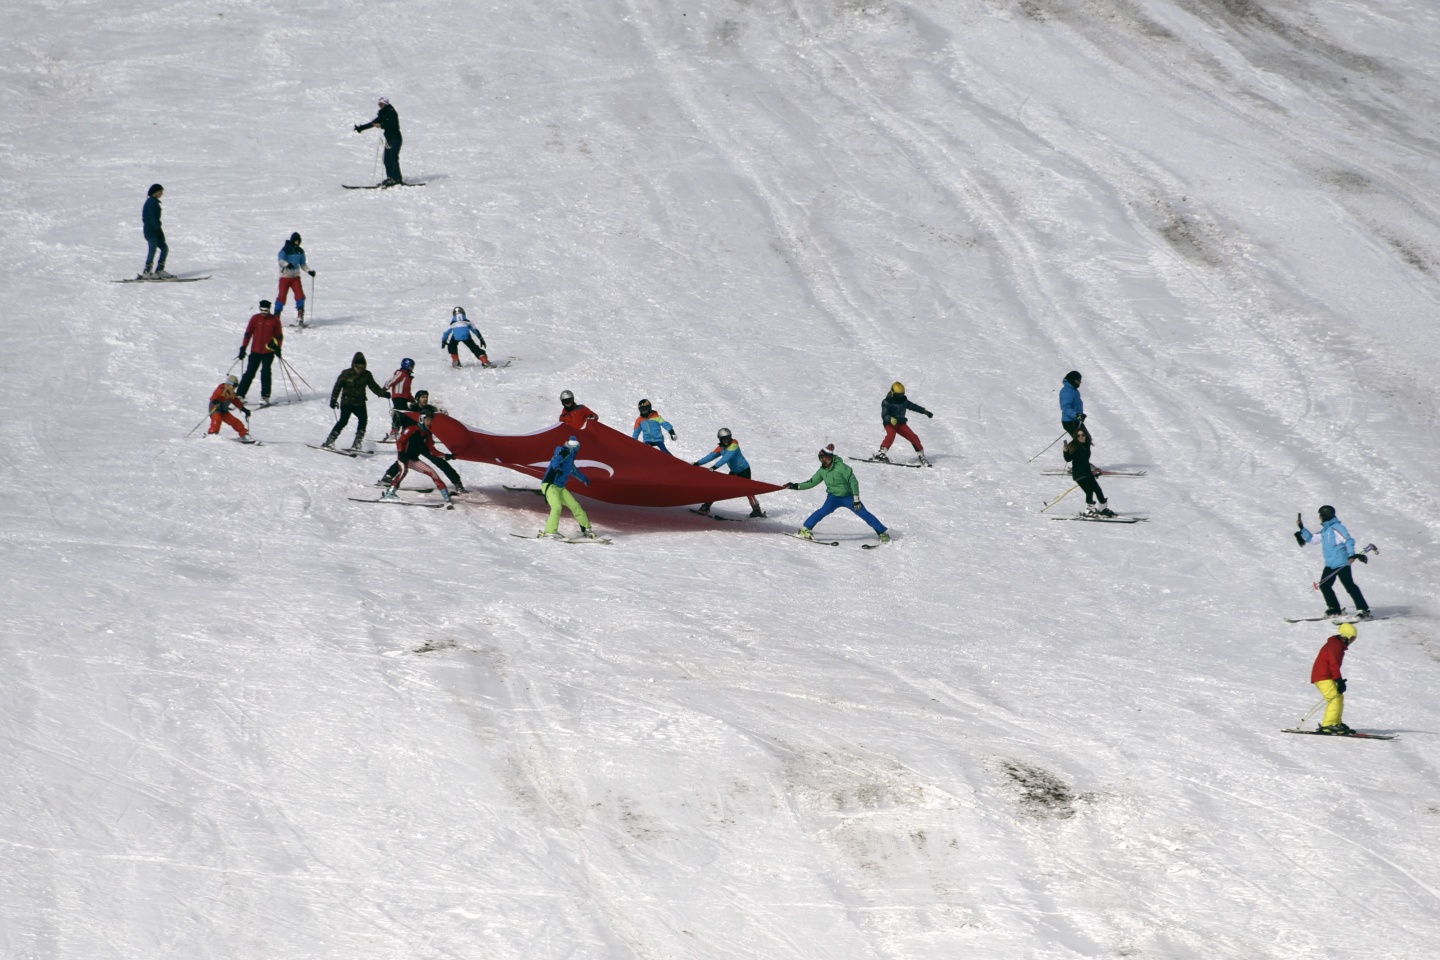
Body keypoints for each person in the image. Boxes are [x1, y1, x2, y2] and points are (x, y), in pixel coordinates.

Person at [785, 444, 889, 543]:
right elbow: (811, 482)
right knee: (822, 512)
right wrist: (795, 486)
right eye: (820, 458)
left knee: (863, 513)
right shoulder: (822, 470)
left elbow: (853, 482)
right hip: (833, 498)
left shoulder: (841, 467)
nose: (821, 460)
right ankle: (805, 529)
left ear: (828, 457)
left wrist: (856, 499)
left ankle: (882, 533)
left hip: (849, 497)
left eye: (822, 458)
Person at [378, 393, 465, 492]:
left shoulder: (431, 410)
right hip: (412, 443)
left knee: (439, 461)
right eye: (423, 397)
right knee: (404, 458)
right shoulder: (411, 411)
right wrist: (396, 417)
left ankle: (457, 483)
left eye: (426, 397)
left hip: (425, 442)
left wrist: (443, 416)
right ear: (417, 399)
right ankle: (387, 477)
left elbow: (439, 420)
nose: (425, 399)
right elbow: (399, 420)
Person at [1297, 506, 1370, 618]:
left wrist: (1351, 555)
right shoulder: (1325, 530)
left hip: (1342, 562)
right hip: (1330, 564)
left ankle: (1363, 609)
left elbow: (1348, 540)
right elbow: (1312, 539)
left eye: (1320, 515)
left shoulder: (1337, 528)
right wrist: (1302, 528)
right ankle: (1334, 609)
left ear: (1325, 515)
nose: (1319, 518)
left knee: (1349, 586)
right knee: (1325, 585)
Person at [382, 407, 452, 504]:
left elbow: (433, 451)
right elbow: (400, 441)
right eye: (427, 420)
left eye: (431, 420)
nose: (429, 422)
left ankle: (446, 497)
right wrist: (401, 453)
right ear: (421, 419)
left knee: (432, 473)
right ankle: (390, 493)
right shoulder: (411, 429)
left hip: (413, 460)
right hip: (404, 458)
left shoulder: (427, 434)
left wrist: (445, 455)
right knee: (403, 472)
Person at [323, 352, 389, 450]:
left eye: (362, 366)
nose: (360, 368)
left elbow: (373, 386)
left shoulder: (367, 375)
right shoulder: (346, 373)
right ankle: (329, 441)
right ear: (354, 365)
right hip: (347, 402)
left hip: (360, 403)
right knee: (343, 421)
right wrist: (333, 400)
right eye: (358, 366)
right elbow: (337, 387)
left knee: (363, 420)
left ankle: (357, 444)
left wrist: (383, 394)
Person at [694, 427, 765, 518]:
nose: (726, 441)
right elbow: (711, 455)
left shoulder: (734, 445)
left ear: (730, 437)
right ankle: (706, 507)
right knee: (720, 487)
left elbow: (726, 458)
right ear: (720, 439)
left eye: (727, 438)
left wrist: (714, 467)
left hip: (744, 470)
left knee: (748, 490)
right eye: (723, 439)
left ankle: (757, 510)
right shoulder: (721, 447)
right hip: (734, 471)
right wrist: (698, 463)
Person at [539, 436, 599, 539]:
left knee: (575, 506)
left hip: (560, 488)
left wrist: (585, 479)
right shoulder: (564, 452)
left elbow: (575, 472)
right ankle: (549, 532)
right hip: (550, 485)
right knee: (557, 507)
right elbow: (555, 460)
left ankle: (586, 529)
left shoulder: (570, 461)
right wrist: (557, 468)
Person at [1310, 622, 1358, 734]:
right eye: (1352, 639)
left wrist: (1338, 680)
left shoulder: (1336, 645)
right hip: (1323, 676)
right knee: (1334, 698)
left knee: (1339, 697)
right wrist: (1338, 680)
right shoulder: (1335, 646)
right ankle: (1328, 725)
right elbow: (1333, 664)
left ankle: (1336, 722)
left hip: (1326, 676)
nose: (1351, 642)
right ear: (1346, 636)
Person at [873, 381, 933, 464]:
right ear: (893, 393)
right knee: (891, 435)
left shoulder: (903, 401)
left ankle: (921, 455)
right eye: (898, 395)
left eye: (902, 394)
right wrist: (890, 419)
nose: (900, 397)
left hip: (901, 423)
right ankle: (881, 454)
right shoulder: (887, 401)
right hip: (890, 423)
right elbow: (884, 414)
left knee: (913, 436)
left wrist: (925, 412)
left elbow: (913, 406)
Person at [236, 300, 284, 403]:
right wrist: (243, 347)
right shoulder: (255, 319)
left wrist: (278, 348)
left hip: (268, 352)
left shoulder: (274, 320)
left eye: (266, 310)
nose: (263, 312)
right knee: (249, 373)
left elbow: (279, 336)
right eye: (262, 310)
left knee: (265, 372)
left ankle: (265, 396)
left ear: (269, 310)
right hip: (255, 351)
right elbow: (248, 334)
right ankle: (240, 395)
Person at [1062, 426, 1114, 516]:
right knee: (1089, 491)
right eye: (1078, 436)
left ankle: (1103, 509)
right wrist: (1065, 451)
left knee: (1098, 490)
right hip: (1079, 474)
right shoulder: (1074, 445)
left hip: (1087, 472)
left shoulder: (1086, 445)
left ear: (1086, 435)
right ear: (1076, 437)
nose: (1081, 437)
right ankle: (1089, 510)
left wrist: (1094, 470)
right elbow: (1068, 459)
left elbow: (1084, 460)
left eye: (1082, 435)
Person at [353, 97, 404, 185]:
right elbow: (373, 123)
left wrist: (382, 125)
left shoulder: (392, 112)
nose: (380, 106)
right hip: (389, 140)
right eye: (379, 104)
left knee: (393, 158)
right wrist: (361, 128)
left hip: (396, 139)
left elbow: (394, 125)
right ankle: (390, 178)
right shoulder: (383, 114)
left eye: (381, 104)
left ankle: (397, 179)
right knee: (386, 159)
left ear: (385, 104)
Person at [275, 233, 315, 324]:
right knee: (281, 297)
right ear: (292, 240)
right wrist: (287, 265)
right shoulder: (286, 249)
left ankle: (300, 316)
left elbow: (302, 264)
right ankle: (276, 316)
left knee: (300, 296)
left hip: (295, 277)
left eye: (298, 241)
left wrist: (309, 271)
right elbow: (280, 260)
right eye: (295, 241)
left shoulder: (300, 251)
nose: (297, 243)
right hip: (285, 277)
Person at [141, 183, 172, 279]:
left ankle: (160, 270)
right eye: (160, 191)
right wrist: (156, 228)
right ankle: (147, 271)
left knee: (164, 248)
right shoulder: (151, 202)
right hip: (151, 230)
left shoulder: (153, 202)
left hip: (155, 229)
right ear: (156, 192)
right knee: (153, 248)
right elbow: (150, 218)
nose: (162, 193)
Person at [207, 375, 251, 440]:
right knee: (217, 419)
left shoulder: (232, 394)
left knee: (234, 421)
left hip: (223, 411)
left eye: (236, 386)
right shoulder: (220, 389)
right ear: (229, 384)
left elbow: (236, 402)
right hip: (215, 409)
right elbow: (214, 397)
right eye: (234, 385)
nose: (235, 387)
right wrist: (216, 402)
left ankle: (244, 434)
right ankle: (212, 433)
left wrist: (244, 409)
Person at [382, 358, 416, 441]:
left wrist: (412, 399)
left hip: (404, 398)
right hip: (398, 397)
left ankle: (404, 431)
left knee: (406, 414)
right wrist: (383, 390)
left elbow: (407, 391)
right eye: (411, 366)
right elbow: (391, 381)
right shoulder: (401, 374)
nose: (412, 368)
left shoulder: (407, 376)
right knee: (399, 413)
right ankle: (394, 431)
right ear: (406, 365)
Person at [1059, 371, 1085, 440]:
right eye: (1078, 380)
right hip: (1069, 421)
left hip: (1075, 420)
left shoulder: (1073, 390)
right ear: (1072, 380)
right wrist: (1076, 415)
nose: (1080, 382)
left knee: (1085, 440)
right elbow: (1065, 408)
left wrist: (1080, 416)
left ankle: (1070, 449)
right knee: (1081, 441)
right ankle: (1067, 450)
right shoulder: (1067, 391)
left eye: (1080, 380)